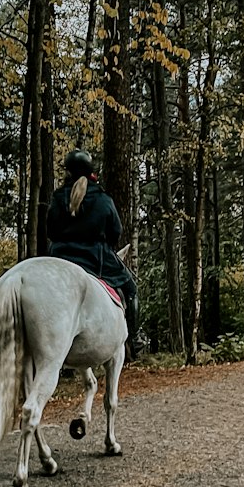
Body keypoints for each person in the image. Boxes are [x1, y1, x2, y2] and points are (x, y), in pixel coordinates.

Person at [46, 149, 145, 356]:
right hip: (94, 257)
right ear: (91, 171)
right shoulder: (103, 199)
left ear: (69, 172)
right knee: (131, 289)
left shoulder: (58, 197)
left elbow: (50, 231)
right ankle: (135, 339)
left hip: (59, 257)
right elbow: (115, 232)